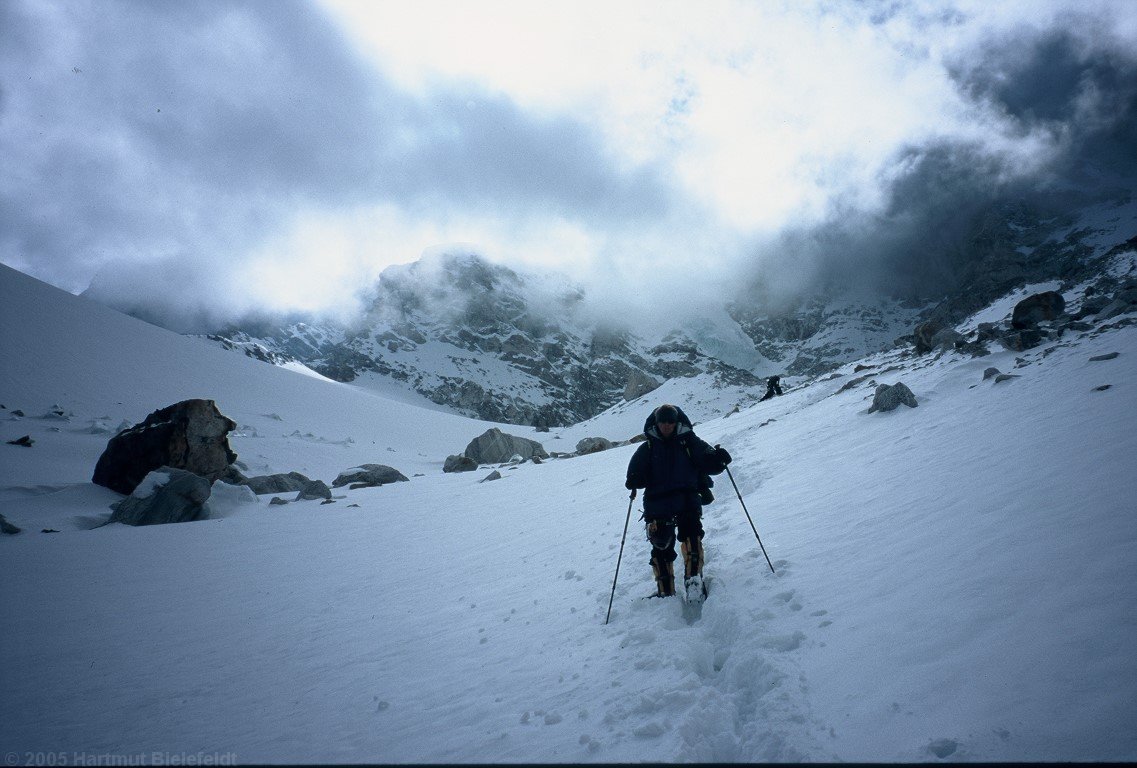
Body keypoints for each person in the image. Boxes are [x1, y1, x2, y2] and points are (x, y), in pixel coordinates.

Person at [625, 404, 731, 600]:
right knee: (662, 544)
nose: (666, 426)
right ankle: (669, 589)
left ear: (676, 422)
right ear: (656, 423)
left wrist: (719, 461)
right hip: (666, 502)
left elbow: (710, 464)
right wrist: (633, 479)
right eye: (663, 422)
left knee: (690, 536)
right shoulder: (651, 446)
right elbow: (634, 477)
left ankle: (690, 581)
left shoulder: (688, 442)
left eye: (670, 422)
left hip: (682, 499)